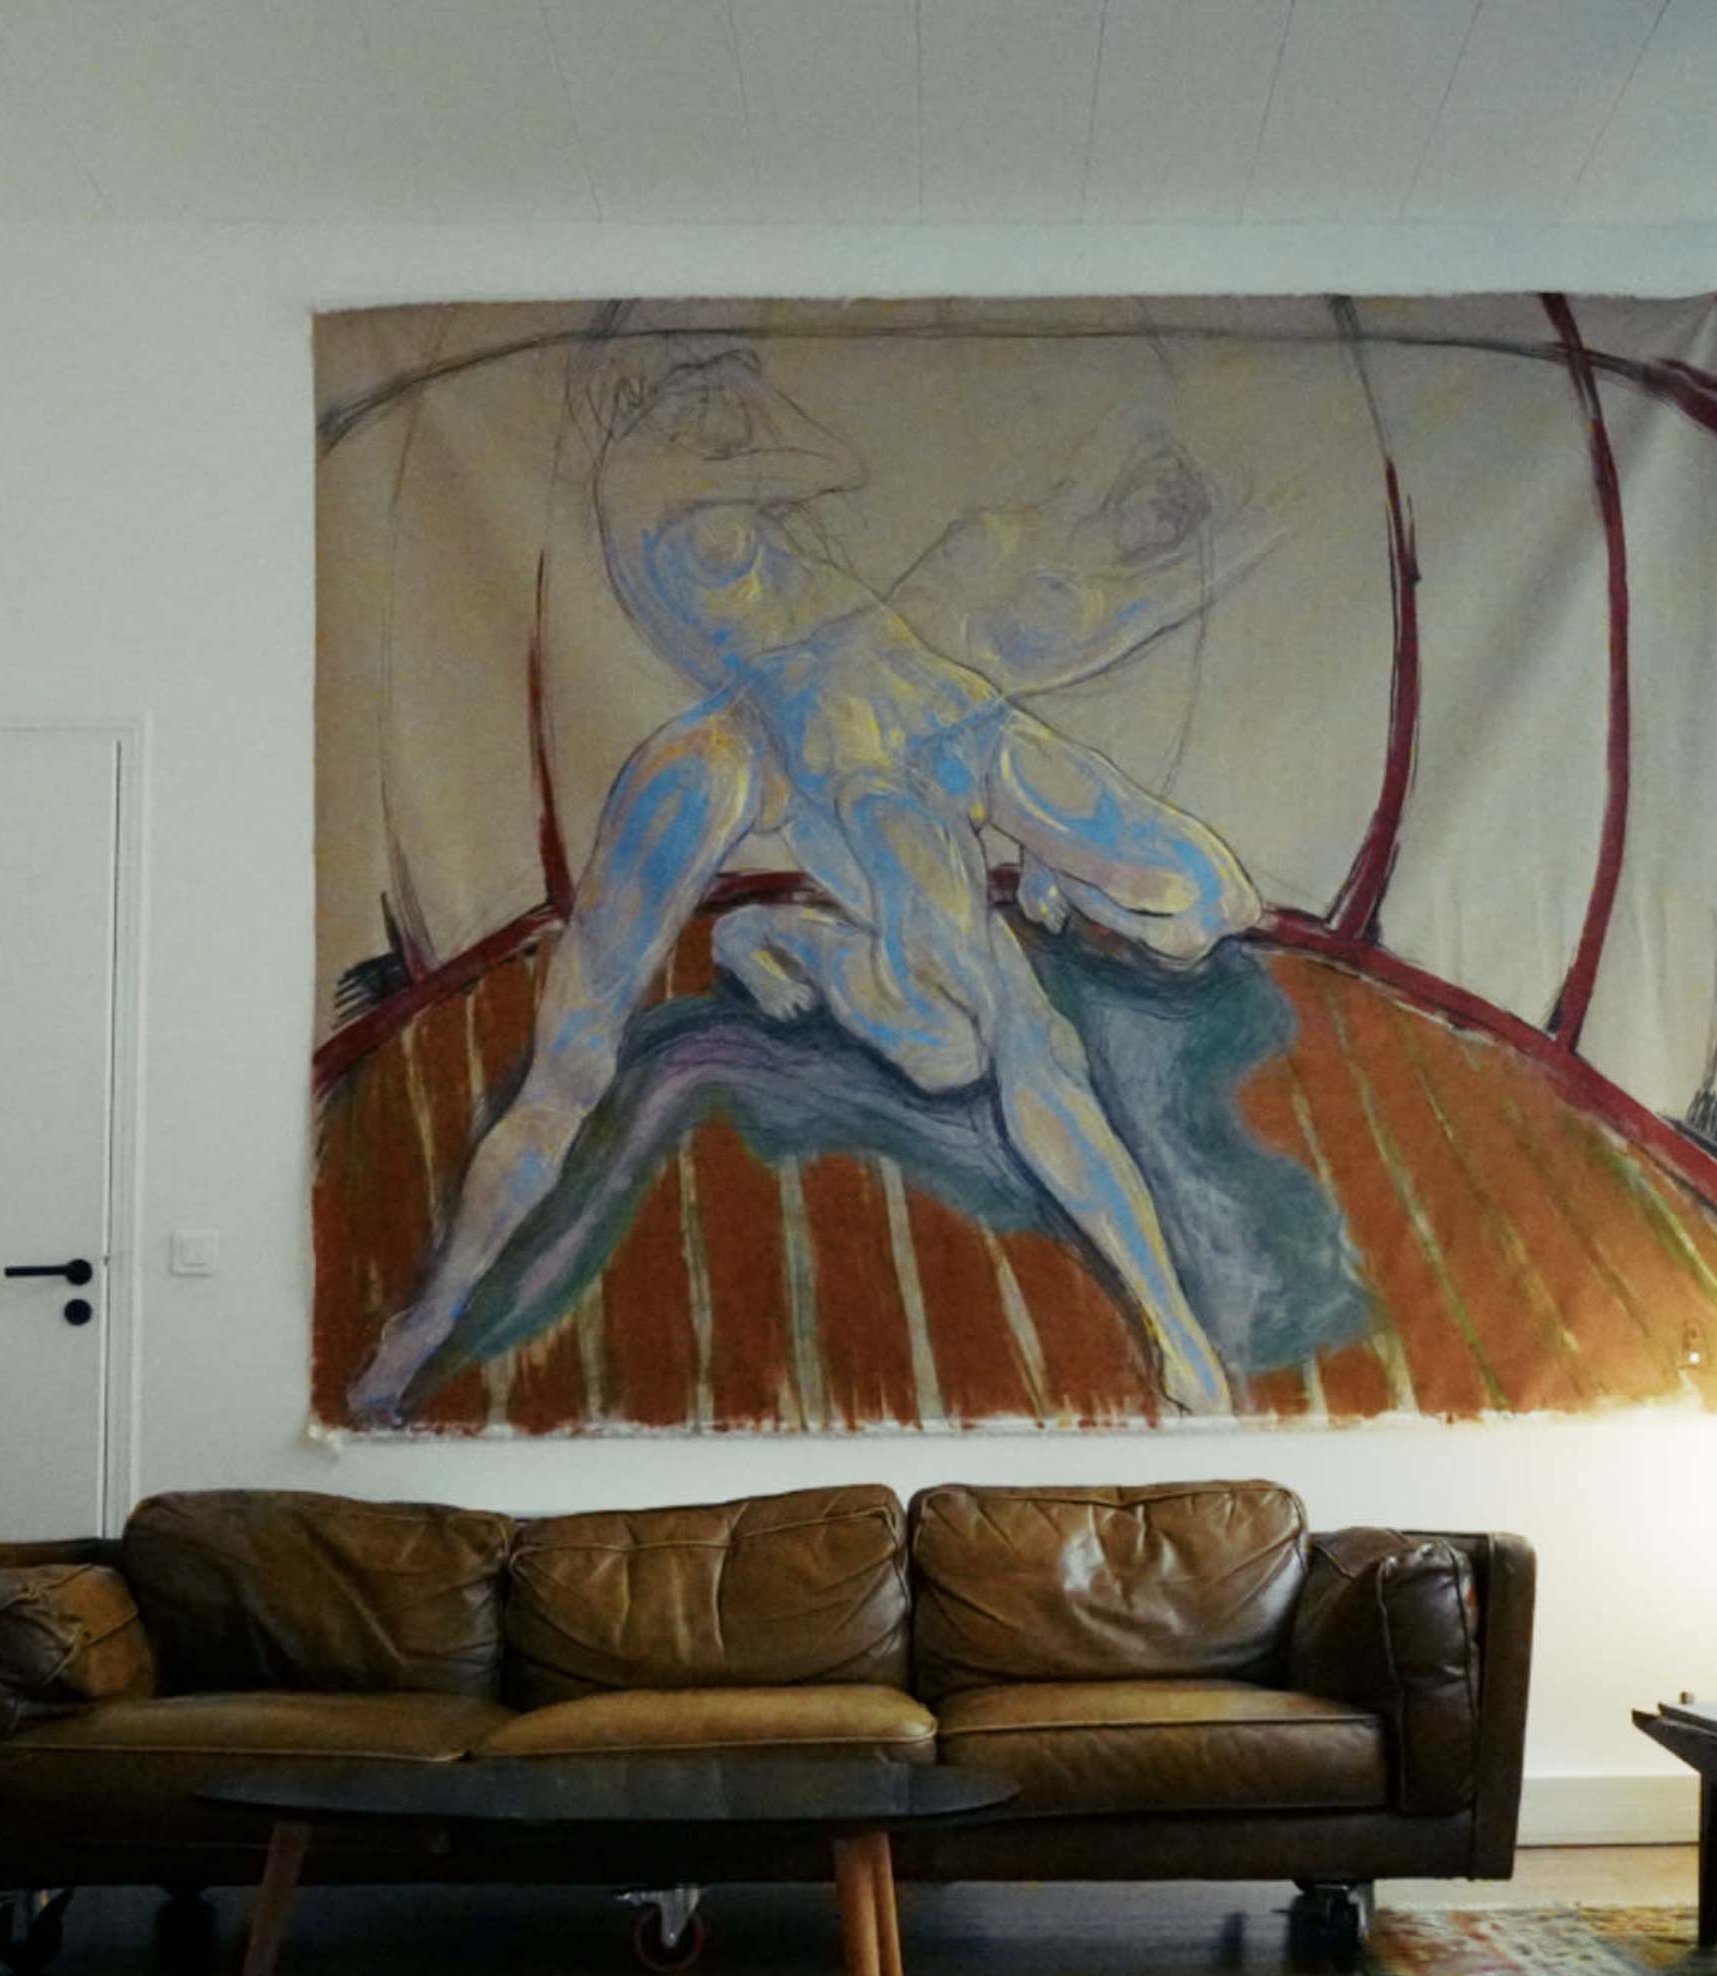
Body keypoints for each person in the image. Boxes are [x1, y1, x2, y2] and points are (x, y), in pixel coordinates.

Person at [349, 342, 1262, 1421]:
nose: (732, 402)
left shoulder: (736, 476)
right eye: (709, 389)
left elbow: (818, 474)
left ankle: (808, 935)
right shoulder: (651, 478)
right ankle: (1175, 1331)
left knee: (1208, 905)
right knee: (983, 1032)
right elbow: (825, 465)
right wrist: (712, 414)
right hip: (792, 732)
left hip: (903, 692)